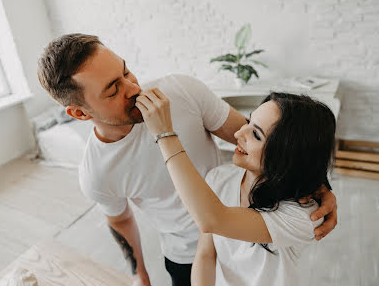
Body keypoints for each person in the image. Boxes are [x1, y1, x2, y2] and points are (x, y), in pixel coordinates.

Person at [37, 33, 338, 286]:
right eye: (113, 90)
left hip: (252, 235)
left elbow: (265, 143)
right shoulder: (96, 173)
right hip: (187, 255)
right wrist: (139, 273)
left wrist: (313, 181)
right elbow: (120, 219)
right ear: (79, 113)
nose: (133, 88)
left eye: (126, 72)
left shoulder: (180, 91)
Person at [136, 90, 337, 286]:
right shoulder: (218, 178)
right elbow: (206, 254)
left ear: (287, 157)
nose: (238, 133)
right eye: (248, 122)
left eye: (256, 135)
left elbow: (212, 220)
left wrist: (165, 135)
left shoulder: (305, 215)